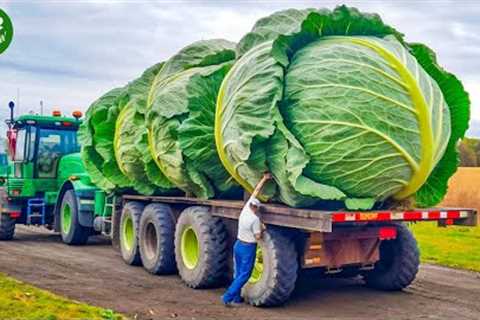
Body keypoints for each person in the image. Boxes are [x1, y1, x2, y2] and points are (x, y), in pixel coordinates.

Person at [222, 172, 272, 307]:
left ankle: (236, 298)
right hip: (247, 248)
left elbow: (255, 191)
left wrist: (264, 179)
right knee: (244, 275)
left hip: (238, 245)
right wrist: (263, 227)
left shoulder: (245, 209)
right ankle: (227, 297)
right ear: (255, 208)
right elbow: (258, 237)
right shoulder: (255, 219)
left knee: (237, 273)